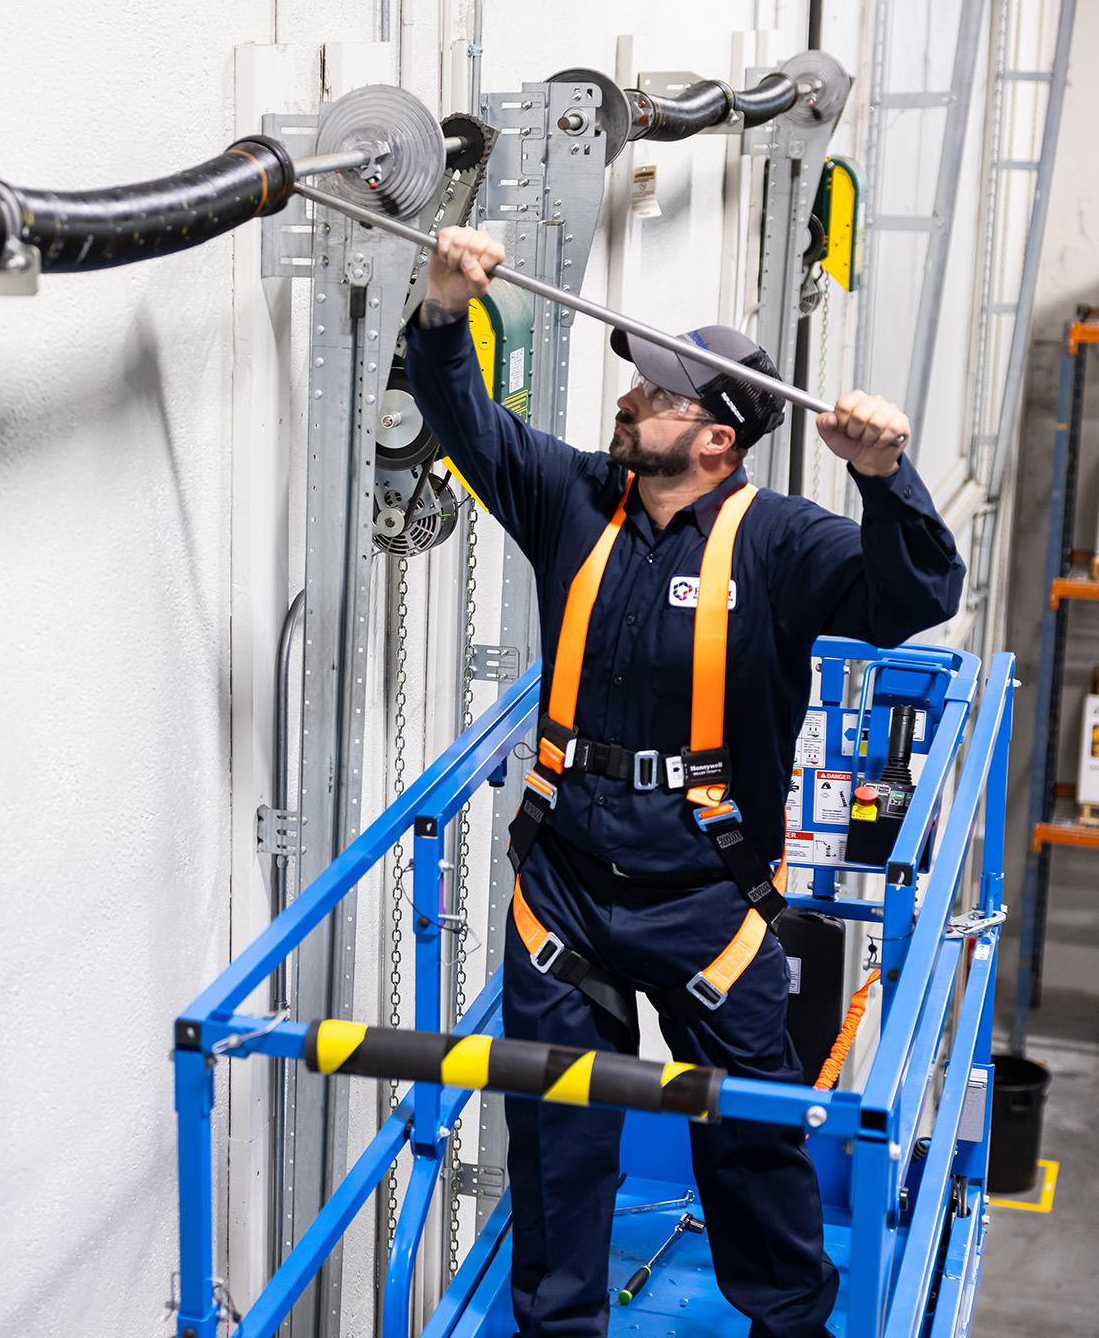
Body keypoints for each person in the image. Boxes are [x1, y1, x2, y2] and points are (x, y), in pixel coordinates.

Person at [401, 226, 964, 1338]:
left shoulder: (782, 545)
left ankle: (788, 1324)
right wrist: (440, 309)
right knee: (555, 1137)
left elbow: (916, 595)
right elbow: (465, 421)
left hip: (707, 900)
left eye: (654, 396)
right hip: (562, 890)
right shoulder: (573, 499)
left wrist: (883, 476)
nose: (626, 403)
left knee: (751, 1140)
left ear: (715, 438)